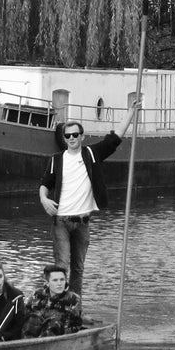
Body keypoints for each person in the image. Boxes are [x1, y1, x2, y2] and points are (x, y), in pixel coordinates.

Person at [37, 96, 142, 294]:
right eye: (67, 136)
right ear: (64, 139)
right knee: (62, 267)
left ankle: (75, 311)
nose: (71, 138)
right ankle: (57, 308)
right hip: (61, 221)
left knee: (78, 269)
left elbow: (115, 139)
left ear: (82, 136)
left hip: (83, 222)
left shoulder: (92, 154)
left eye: (75, 135)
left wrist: (131, 112)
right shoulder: (56, 160)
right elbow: (45, 184)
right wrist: (43, 199)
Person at [22, 264, 82, 338]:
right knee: (33, 318)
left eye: (62, 280)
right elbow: (24, 314)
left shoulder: (73, 299)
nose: (59, 284)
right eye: (55, 280)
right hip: (34, 333)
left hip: (58, 335)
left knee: (54, 322)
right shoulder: (37, 294)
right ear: (47, 282)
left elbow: (76, 325)